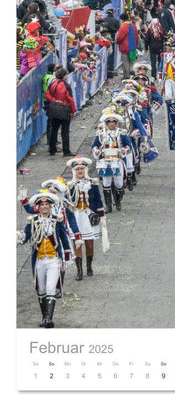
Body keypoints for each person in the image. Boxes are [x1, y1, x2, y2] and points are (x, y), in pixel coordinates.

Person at [17, 189, 72, 328]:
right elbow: (26, 237)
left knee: (50, 288)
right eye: (42, 205)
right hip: (39, 261)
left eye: (47, 204)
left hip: (54, 259)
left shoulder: (57, 220)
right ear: (38, 207)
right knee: (41, 289)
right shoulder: (33, 221)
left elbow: (64, 241)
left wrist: (65, 260)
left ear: (50, 206)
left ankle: (49, 318)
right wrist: (19, 238)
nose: (45, 207)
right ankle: (44, 317)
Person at [65, 156, 106, 279]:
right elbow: (66, 203)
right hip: (75, 216)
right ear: (74, 171)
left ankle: (89, 266)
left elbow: (98, 200)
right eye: (77, 169)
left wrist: (102, 216)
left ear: (85, 170)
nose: (80, 171)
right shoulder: (69, 186)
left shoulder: (92, 183)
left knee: (89, 244)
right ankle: (79, 271)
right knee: (76, 243)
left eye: (82, 168)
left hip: (89, 216)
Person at [92, 112, 132, 211]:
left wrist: (124, 150)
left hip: (117, 160)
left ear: (116, 123)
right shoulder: (101, 134)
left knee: (119, 184)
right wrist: (96, 150)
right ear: (106, 123)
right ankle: (108, 206)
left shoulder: (121, 133)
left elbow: (128, 145)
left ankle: (118, 201)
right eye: (109, 122)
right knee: (106, 183)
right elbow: (95, 145)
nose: (111, 124)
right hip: (105, 161)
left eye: (113, 122)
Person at [44, 67, 77, 156]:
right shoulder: (65, 85)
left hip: (54, 110)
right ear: (64, 76)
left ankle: (52, 149)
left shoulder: (52, 83)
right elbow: (70, 99)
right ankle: (66, 151)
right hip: (64, 110)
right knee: (65, 131)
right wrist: (73, 111)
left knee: (54, 130)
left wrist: (54, 100)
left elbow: (47, 95)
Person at [115, 13, 139, 79]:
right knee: (131, 60)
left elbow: (120, 37)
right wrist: (136, 44)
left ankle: (126, 75)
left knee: (125, 61)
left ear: (122, 19)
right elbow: (137, 36)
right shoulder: (133, 25)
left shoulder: (123, 26)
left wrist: (117, 41)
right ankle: (131, 71)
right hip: (133, 46)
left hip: (125, 47)